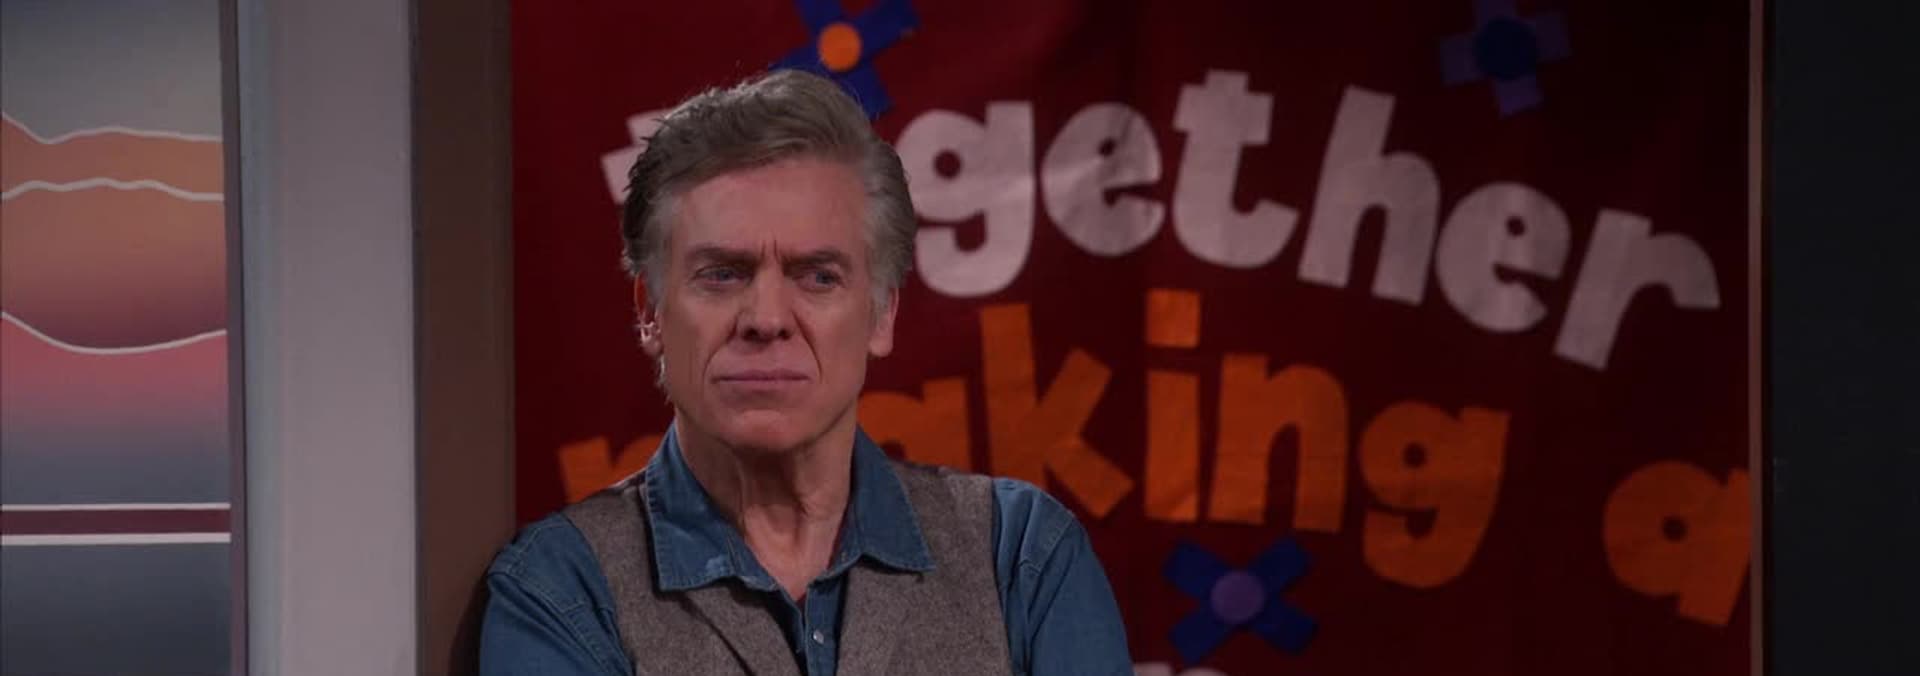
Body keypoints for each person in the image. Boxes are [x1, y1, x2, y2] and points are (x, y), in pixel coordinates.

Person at [479, 69, 1132, 675]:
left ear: (880, 314)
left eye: (818, 276)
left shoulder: (1021, 558)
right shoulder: (560, 589)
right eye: (722, 274)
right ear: (650, 313)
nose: (766, 319)